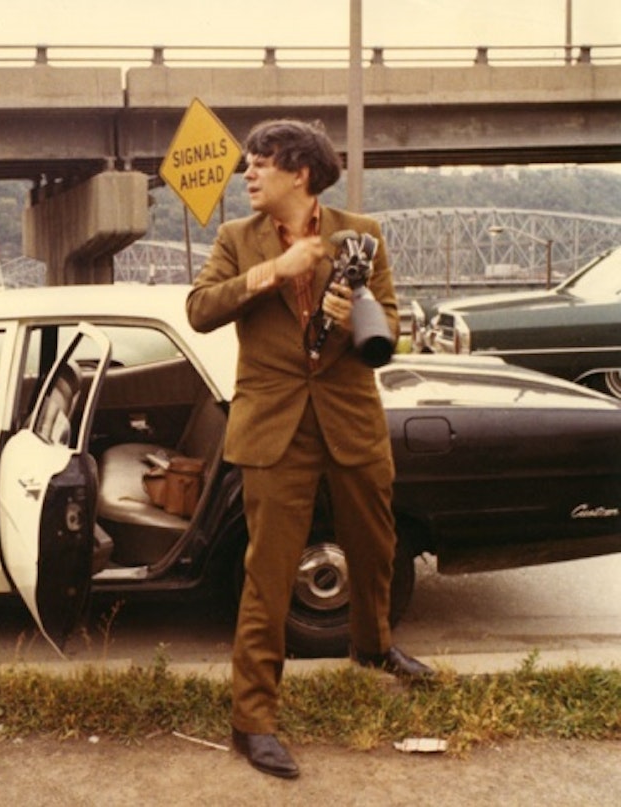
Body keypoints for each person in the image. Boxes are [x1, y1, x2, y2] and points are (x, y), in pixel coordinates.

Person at [186, 118, 433, 780]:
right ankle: (253, 721)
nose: (248, 176)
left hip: (350, 417)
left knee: (374, 545)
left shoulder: (361, 235)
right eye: (247, 167)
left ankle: (373, 645)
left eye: (259, 165)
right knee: (268, 574)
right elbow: (200, 308)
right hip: (274, 426)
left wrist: (348, 315)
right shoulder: (239, 239)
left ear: (299, 172)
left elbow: (390, 325)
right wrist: (275, 271)